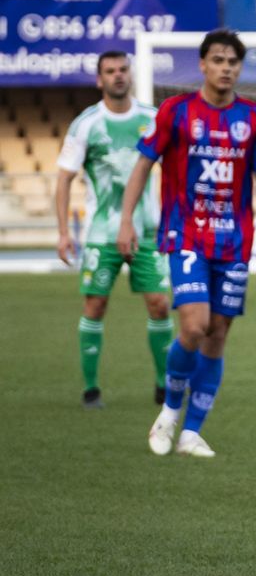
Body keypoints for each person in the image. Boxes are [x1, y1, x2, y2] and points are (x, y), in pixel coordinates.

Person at [117, 28, 256, 458]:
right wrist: (127, 222)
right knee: (193, 326)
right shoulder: (175, 111)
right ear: (204, 64)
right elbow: (142, 165)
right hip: (186, 233)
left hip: (234, 242)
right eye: (219, 60)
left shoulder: (254, 118)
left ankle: (192, 431)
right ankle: (170, 411)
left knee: (218, 334)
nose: (226, 68)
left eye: (233, 62)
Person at [56, 50, 172, 409]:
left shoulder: (153, 119)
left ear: (131, 74)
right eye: (110, 71)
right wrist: (63, 232)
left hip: (147, 233)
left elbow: (177, 168)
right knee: (95, 304)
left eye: (123, 70)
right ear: (99, 79)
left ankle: (162, 385)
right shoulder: (86, 124)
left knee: (159, 305)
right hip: (100, 234)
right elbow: (63, 180)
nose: (118, 76)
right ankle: (91, 389)